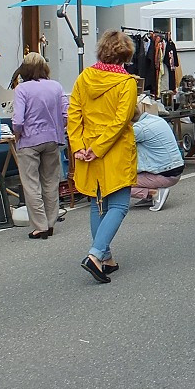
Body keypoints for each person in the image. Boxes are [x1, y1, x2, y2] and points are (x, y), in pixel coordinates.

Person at [67, 30, 139, 284]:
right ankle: (96, 255)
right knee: (118, 205)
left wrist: (78, 146)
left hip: (86, 150)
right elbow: (120, 122)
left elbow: (74, 113)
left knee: (99, 205)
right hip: (114, 151)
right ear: (125, 56)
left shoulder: (85, 77)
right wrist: (99, 148)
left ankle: (106, 257)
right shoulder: (127, 83)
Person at [12, 52, 65, 240]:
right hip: (52, 139)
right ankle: (50, 223)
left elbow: (18, 120)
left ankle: (39, 226)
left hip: (29, 141)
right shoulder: (56, 86)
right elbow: (65, 113)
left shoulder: (22, 89)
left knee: (31, 184)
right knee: (51, 182)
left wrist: (17, 135)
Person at [130, 103, 184, 212]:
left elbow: (118, 144)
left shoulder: (139, 129)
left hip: (164, 174)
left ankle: (154, 193)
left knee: (120, 183)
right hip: (175, 169)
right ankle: (149, 196)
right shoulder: (156, 119)